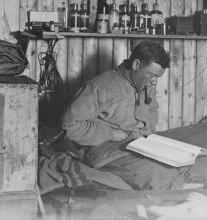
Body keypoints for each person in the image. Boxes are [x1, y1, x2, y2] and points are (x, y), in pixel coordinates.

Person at [60, 40, 195, 190]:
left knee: (182, 166)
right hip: (107, 151)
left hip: (138, 144)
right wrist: (111, 133)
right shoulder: (99, 87)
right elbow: (70, 127)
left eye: (157, 77)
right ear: (136, 65)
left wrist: (147, 126)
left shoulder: (145, 83)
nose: (155, 82)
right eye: (152, 75)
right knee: (161, 177)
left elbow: (152, 109)